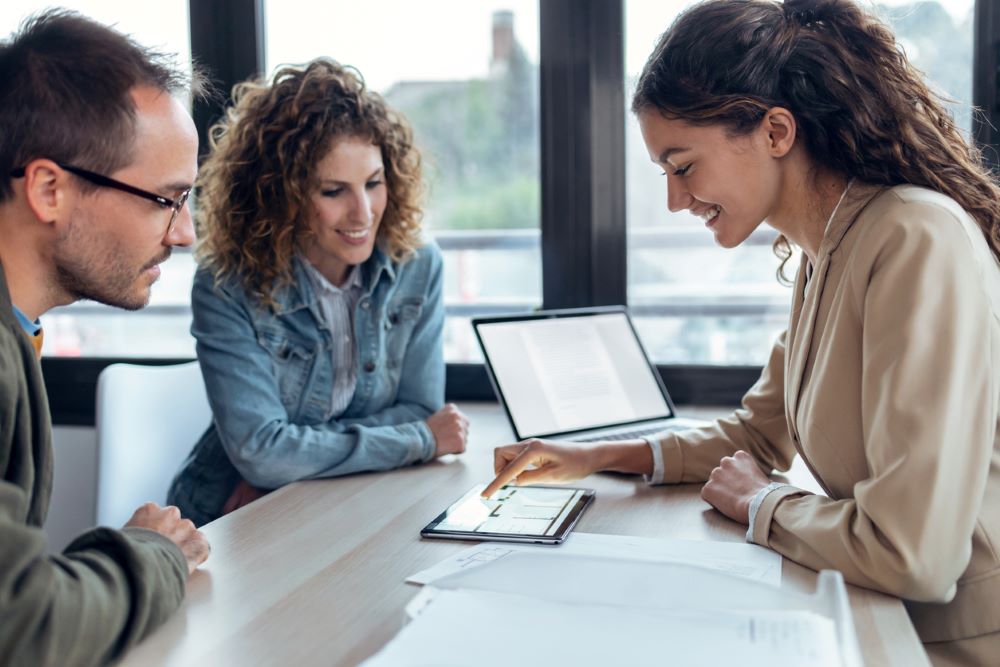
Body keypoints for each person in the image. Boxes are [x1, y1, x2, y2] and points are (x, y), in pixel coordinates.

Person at [483, 0, 1000, 663]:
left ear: (775, 132)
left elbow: (914, 553)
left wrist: (763, 504)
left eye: (683, 165)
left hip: (956, 641)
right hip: (889, 613)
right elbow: (758, 432)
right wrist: (594, 455)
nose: (674, 199)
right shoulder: (826, 251)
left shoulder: (913, 237)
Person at [168, 58, 468, 526]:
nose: (363, 212)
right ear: (279, 196)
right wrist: (417, 439)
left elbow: (420, 408)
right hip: (237, 511)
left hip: (353, 498)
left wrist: (297, 455)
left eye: (373, 183)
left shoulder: (418, 266)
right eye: (333, 191)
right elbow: (262, 456)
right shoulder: (226, 286)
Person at [0, 10, 211, 665]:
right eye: (165, 200)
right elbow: (22, 625)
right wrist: (153, 552)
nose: (185, 233)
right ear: (48, 189)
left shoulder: (18, 330)